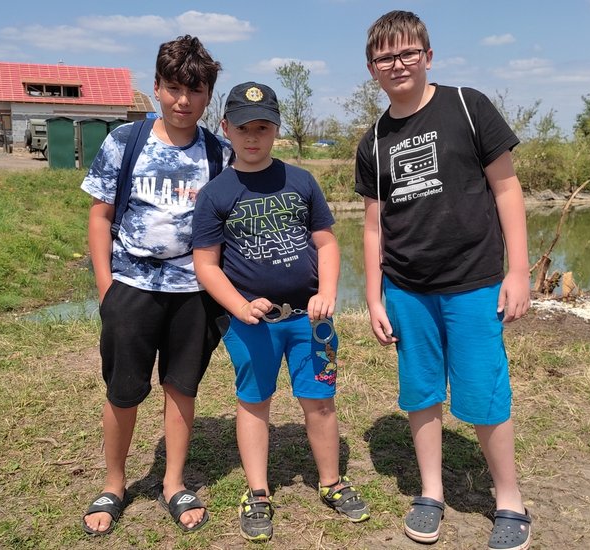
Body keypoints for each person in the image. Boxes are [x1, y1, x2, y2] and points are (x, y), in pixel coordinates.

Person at [354, 10, 533, 550]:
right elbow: (372, 224)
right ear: (372, 68)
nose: (398, 64)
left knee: (484, 392)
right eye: (385, 57)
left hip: (474, 281)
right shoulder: (375, 139)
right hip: (407, 289)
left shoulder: (468, 106)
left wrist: (519, 270)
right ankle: (430, 492)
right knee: (421, 392)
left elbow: (507, 190)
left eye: (408, 52)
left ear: (428, 57)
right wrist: (373, 293)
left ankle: (509, 499)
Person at [192, 81, 370, 542]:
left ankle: (331, 482)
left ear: (276, 130)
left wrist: (327, 291)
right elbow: (206, 266)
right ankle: (257, 491)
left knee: (321, 401)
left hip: (312, 323)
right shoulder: (215, 194)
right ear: (225, 127)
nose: (254, 137)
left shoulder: (301, 181)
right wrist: (238, 305)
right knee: (255, 403)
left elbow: (327, 243)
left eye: (264, 127)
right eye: (244, 127)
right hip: (254, 323)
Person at [79, 35, 232, 537]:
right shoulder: (125, 141)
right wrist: (107, 287)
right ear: (156, 89)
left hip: (195, 291)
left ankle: (172, 481)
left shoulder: (221, 153)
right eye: (172, 88)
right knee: (124, 389)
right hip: (132, 285)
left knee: (181, 388)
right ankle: (115, 483)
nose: (182, 101)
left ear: (208, 93)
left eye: (194, 89)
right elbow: (100, 217)